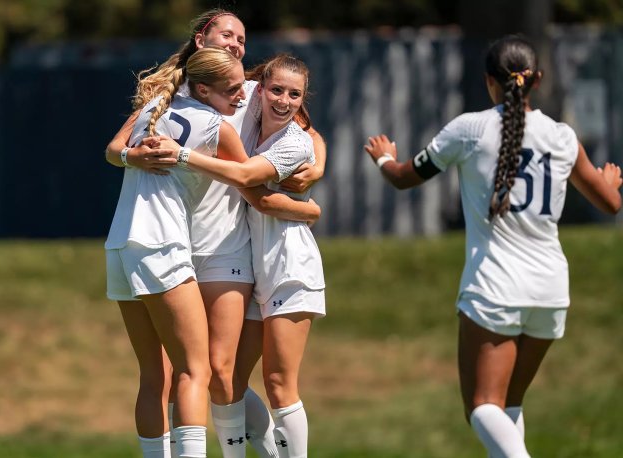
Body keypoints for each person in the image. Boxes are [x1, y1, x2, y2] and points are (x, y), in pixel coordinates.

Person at [363, 34, 622, 458]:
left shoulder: (469, 129)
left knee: (482, 407)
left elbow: (405, 176)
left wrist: (383, 158)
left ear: (488, 81)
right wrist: (608, 182)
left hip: (495, 289)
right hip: (551, 291)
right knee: (508, 407)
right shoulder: (561, 136)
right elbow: (611, 202)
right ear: (536, 80)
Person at [107, 9, 326, 458]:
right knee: (184, 372)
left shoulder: (238, 90)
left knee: (215, 372)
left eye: (243, 39)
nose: (237, 44)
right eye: (228, 34)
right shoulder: (176, 98)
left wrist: (316, 170)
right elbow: (116, 148)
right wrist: (307, 211)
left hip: (215, 245)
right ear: (201, 37)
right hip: (175, 245)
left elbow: (304, 132)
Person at [105, 46, 251, 458]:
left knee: (155, 376)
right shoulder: (216, 127)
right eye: (232, 90)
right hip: (161, 245)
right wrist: (304, 195)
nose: (240, 97)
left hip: (120, 246)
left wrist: (132, 156)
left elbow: (112, 151)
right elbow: (250, 182)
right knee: (195, 370)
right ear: (203, 89)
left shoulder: (155, 105)